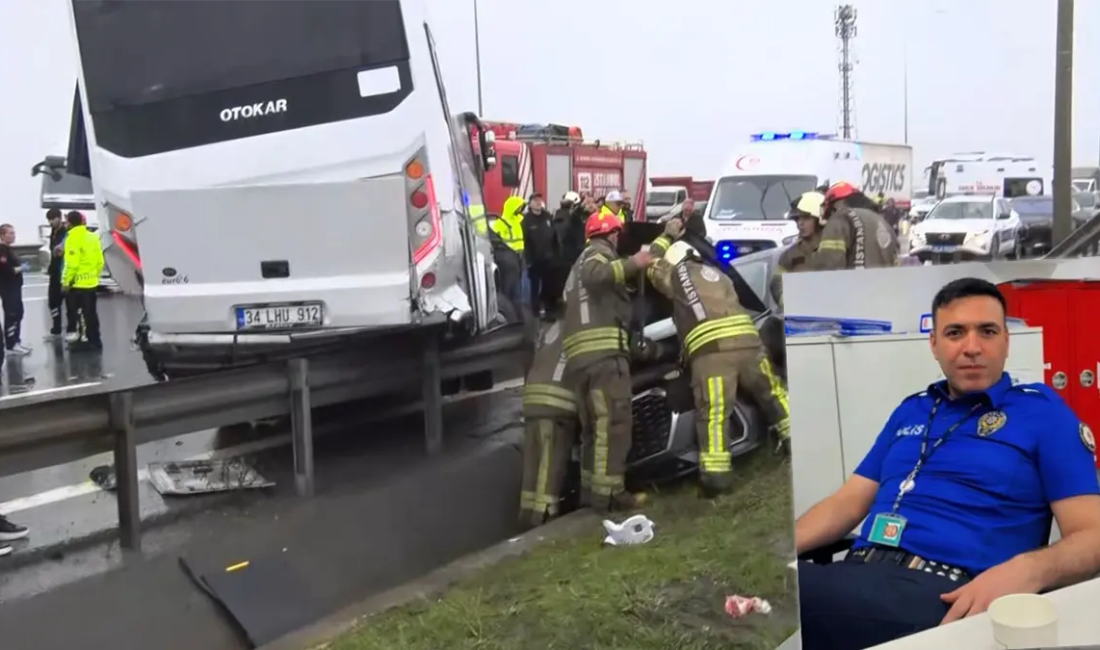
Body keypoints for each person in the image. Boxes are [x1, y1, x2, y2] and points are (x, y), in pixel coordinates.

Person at [795, 278, 1100, 650]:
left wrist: (1030, 570)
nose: (972, 347)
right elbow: (847, 501)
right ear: (935, 345)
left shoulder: (1043, 414)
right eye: (955, 332)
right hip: (857, 575)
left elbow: (1093, 535)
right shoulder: (911, 409)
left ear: (1006, 341)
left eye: (987, 331)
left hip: (950, 599)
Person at [646, 228, 792, 495]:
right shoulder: (719, 274)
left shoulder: (676, 274)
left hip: (713, 355)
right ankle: (796, 441)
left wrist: (664, 236)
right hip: (749, 345)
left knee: (713, 414)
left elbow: (651, 263)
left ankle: (717, 479)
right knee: (773, 392)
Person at [561, 211, 654, 511]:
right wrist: (633, 263)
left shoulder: (574, 267)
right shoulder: (596, 254)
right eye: (617, 236)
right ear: (612, 235)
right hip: (603, 359)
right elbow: (597, 275)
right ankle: (611, 496)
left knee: (593, 430)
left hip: (581, 360)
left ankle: (592, 494)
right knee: (613, 424)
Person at [519, 321, 577, 528]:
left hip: (532, 402)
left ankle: (525, 515)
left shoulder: (551, 328)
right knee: (550, 465)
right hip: (556, 405)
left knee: (532, 464)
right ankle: (544, 517)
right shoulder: (579, 326)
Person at [802, 181, 899, 271]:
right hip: (886, 286)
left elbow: (829, 265)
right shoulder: (882, 222)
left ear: (835, 204)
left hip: (857, 286)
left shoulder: (840, 218)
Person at [771, 192, 825, 309]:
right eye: (797, 219)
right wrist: (788, 303)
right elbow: (777, 283)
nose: (800, 223)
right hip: (799, 318)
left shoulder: (833, 250)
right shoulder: (789, 255)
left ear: (820, 219)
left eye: (806, 218)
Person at [62, 210, 105, 350]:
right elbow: (100, 261)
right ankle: (95, 339)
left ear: (69, 223)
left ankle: (84, 341)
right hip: (91, 283)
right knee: (92, 313)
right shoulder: (93, 237)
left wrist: (66, 282)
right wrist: (95, 276)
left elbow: (72, 264)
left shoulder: (72, 238)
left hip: (77, 284)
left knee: (79, 313)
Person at [45, 209, 79, 341]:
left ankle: (72, 330)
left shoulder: (67, 232)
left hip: (65, 271)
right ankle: (56, 329)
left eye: (53, 219)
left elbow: (65, 251)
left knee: (71, 303)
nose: (51, 222)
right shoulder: (54, 232)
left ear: (59, 218)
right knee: (53, 301)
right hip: (54, 272)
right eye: (49, 220)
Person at [522, 193, 558, 318]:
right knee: (534, 288)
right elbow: (524, 241)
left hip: (548, 259)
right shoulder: (526, 220)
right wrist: (528, 260)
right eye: (535, 200)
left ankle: (549, 311)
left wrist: (556, 254)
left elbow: (554, 237)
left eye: (539, 200)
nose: (538, 202)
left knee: (549, 286)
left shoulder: (547, 216)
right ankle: (535, 313)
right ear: (530, 204)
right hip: (534, 261)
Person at [0, 224, 30, 357]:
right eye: (10, 233)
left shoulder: (8, 249)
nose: (13, 235)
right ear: (2, 235)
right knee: (12, 314)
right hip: (8, 287)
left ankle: (16, 341)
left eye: (13, 233)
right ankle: (11, 344)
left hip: (15, 287)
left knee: (18, 312)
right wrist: (21, 268)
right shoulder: (1, 250)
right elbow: (5, 271)